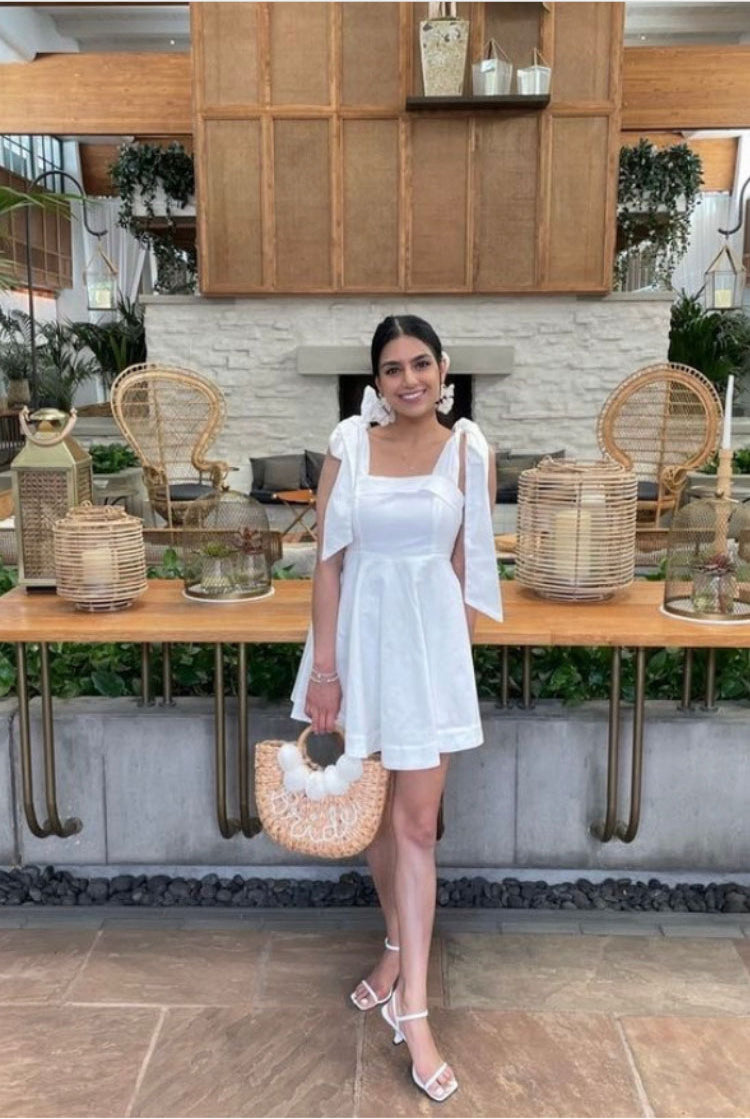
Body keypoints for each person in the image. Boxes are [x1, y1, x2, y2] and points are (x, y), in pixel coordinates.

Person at [290, 314, 502, 1103]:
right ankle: (393, 946)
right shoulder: (349, 446)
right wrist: (325, 673)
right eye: (391, 368)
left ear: (444, 369)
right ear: (375, 381)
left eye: (421, 363)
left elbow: (468, 566)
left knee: (417, 824)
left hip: (429, 657)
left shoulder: (468, 450)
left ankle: (412, 1006)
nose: (408, 379)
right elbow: (328, 567)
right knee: (376, 820)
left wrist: (456, 672)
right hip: (358, 652)